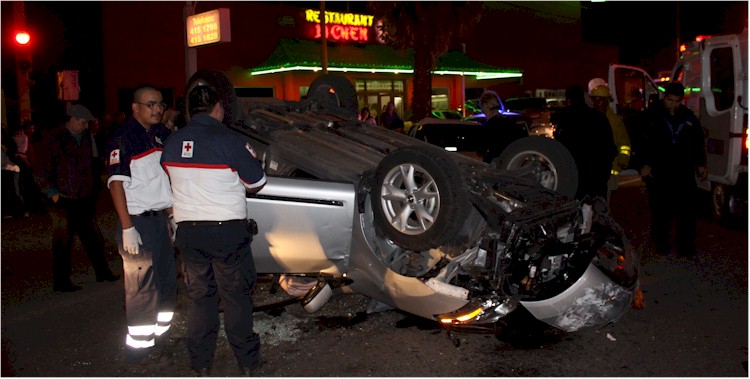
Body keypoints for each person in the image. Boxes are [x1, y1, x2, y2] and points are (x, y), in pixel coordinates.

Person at [161, 84, 267, 376]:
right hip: (227, 232)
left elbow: (171, 178)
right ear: (218, 108)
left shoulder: (172, 143)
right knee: (236, 298)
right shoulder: (230, 141)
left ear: (190, 110)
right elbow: (257, 182)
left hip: (189, 233)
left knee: (200, 299)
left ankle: (201, 364)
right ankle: (246, 362)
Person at [105, 85, 177, 362]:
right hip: (138, 222)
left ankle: (161, 334)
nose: (157, 109)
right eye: (150, 104)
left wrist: (172, 216)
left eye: (160, 104)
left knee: (167, 280)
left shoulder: (162, 136)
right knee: (142, 285)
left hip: (159, 220)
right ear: (135, 108)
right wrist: (127, 228)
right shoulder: (123, 139)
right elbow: (116, 185)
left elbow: (166, 181)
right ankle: (140, 346)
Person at [32, 105, 120, 292]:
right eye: (82, 123)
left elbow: (88, 165)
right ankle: (61, 281)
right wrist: (52, 193)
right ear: (71, 120)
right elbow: (40, 170)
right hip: (62, 198)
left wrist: (92, 188)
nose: (86, 126)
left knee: (93, 236)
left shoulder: (85, 139)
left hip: (82, 196)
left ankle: (102, 271)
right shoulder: (53, 139)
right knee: (63, 241)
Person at [638, 82, 707, 257]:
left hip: (683, 171)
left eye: (677, 101)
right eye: (670, 100)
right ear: (664, 97)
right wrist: (643, 163)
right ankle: (662, 244)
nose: (673, 105)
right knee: (661, 211)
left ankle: (686, 247)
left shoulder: (688, 117)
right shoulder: (651, 116)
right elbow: (641, 142)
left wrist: (700, 164)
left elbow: (698, 142)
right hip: (659, 171)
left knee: (686, 211)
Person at [551, 85, 617, 201]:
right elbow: (610, 149)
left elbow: (557, 148)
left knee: (575, 211)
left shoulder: (563, 118)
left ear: (568, 100)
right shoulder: (599, 117)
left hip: (573, 176)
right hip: (597, 176)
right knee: (598, 210)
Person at [589, 83, 632, 204]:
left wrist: (623, 159)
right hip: (592, 169)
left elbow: (624, 142)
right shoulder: (589, 118)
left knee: (602, 203)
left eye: (600, 100)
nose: (597, 103)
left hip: (609, 170)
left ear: (607, 101)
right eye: (595, 100)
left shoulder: (614, 121)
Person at [478, 90, 529, 164]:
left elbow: (481, 149)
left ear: (485, 106)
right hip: (511, 162)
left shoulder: (490, 125)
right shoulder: (510, 122)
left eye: (481, 107)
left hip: (496, 165)